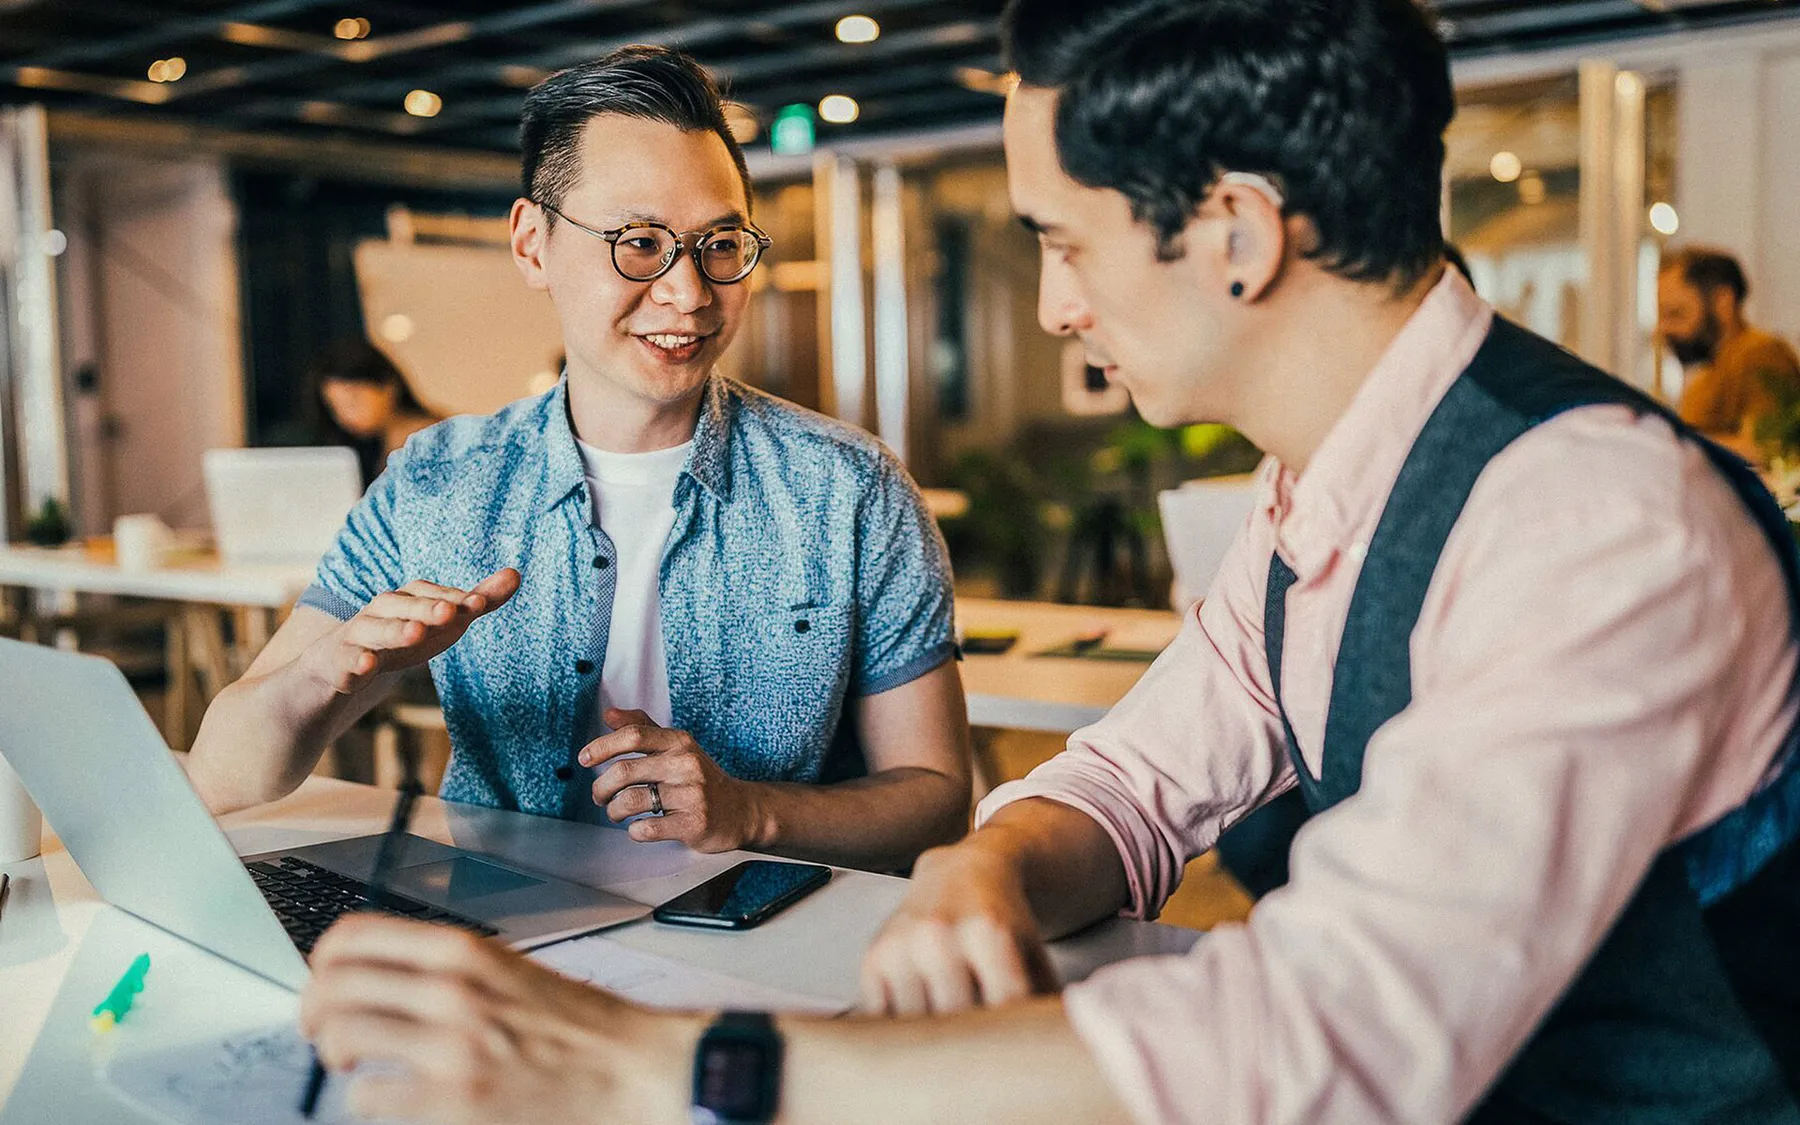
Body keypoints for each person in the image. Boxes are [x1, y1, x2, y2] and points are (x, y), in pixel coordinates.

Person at [299, 1, 1800, 1122]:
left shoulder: (1595, 523)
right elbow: (1137, 781)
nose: (1056, 307)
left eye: (1063, 241)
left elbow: (1328, 1038)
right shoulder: (1324, 491)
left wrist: (658, 1065)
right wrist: (994, 869)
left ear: (1235, 233)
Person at [186, 46, 971, 873]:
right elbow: (225, 773)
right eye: (638, 243)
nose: (689, 292)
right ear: (533, 245)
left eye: (721, 244)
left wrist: (752, 812)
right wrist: (327, 674)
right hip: (499, 935)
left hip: (766, 938)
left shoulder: (849, 489)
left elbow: (937, 799)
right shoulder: (438, 482)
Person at [1659, 245, 1800, 459]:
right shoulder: (1707, 373)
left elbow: (1768, 448)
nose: (1663, 328)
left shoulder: (1761, 353)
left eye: (1677, 314)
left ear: (1722, 301)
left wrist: (1676, 442)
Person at [312, 339, 441, 487]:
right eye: (335, 408)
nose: (344, 417)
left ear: (388, 387)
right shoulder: (378, 447)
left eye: (352, 402)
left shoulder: (431, 438)